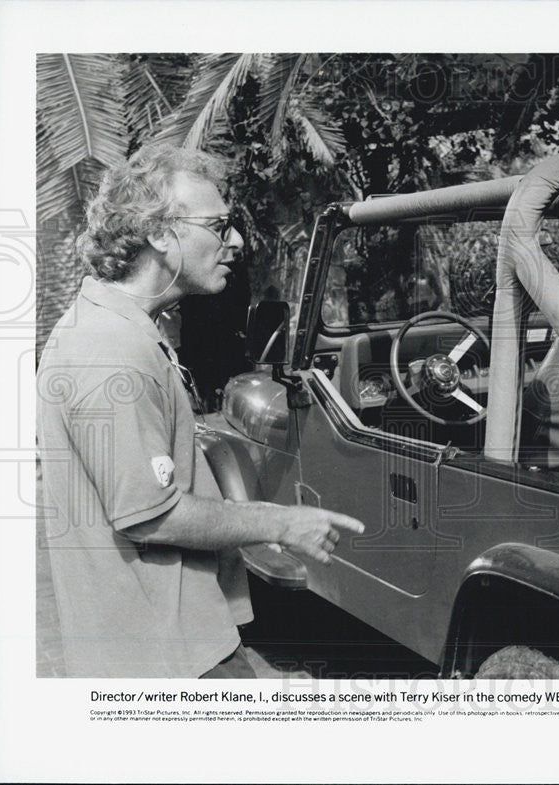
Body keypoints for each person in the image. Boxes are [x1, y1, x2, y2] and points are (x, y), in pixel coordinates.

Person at [37, 145, 364, 678]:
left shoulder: (119, 330)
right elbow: (151, 515)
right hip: (166, 657)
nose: (234, 241)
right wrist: (281, 522)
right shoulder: (110, 351)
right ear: (161, 233)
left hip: (167, 640)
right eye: (219, 225)